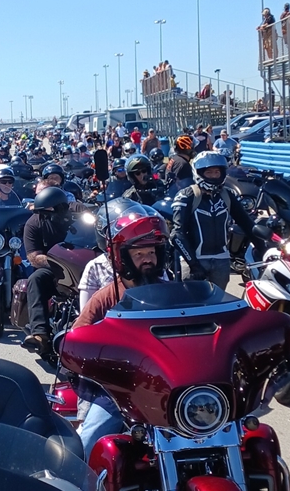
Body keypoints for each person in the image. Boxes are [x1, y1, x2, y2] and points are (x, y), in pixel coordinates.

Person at [71, 208, 169, 461]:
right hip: (121, 390)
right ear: (123, 257)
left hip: (169, 386)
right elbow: (79, 335)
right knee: (85, 444)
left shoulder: (173, 292)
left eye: (151, 252)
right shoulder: (107, 296)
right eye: (139, 254)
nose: (147, 259)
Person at [172, 151, 255, 290]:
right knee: (193, 302)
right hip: (194, 261)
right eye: (209, 172)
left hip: (222, 261)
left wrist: (265, 246)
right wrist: (194, 265)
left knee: (219, 302)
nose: (214, 175)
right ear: (199, 173)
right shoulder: (187, 196)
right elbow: (177, 235)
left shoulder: (228, 195)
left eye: (217, 172)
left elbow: (247, 224)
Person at [22, 186, 71, 356]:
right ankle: (40, 334)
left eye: (48, 211)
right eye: (41, 212)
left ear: (61, 208)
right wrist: (58, 262)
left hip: (82, 265)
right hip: (54, 269)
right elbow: (33, 257)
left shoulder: (78, 215)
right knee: (36, 278)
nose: (44, 215)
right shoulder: (33, 223)